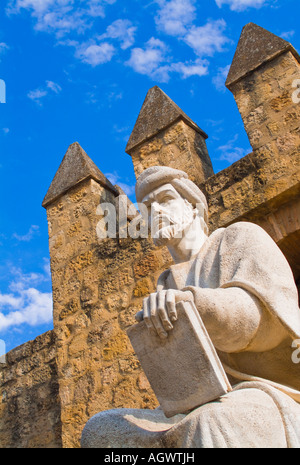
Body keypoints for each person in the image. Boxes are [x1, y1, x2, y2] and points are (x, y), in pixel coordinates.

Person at [81, 166, 300, 449]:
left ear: (194, 206)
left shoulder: (238, 238)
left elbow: (262, 322)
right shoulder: (167, 283)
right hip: (196, 407)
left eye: (165, 200)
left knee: (210, 421)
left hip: (267, 391)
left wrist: (194, 303)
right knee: (100, 431)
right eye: (146, 208)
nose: (154, 211)